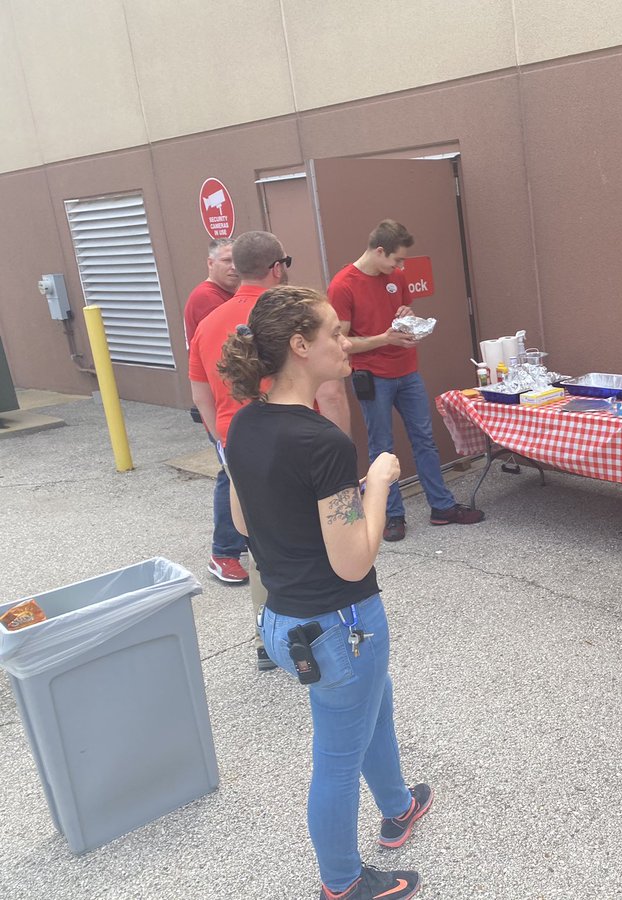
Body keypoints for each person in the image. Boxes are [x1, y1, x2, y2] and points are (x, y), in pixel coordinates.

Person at [219, 286, 431, 900]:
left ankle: (397, 807)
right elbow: (353, 558)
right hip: (340, 625)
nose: (346, 342)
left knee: (372, 704)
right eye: (335, 333)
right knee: (336, 759)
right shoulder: (323, 442)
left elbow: (242, 517)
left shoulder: (246, 425)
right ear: (299, 345)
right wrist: (380, 481)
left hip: (284, 620)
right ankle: (342, 881)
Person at [315, 220, 483, 542]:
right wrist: (384, 339)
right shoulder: (343, 285)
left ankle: (442, 507)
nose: (401, 266)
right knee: (382, 448)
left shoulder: (396, 277)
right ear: (379, 251)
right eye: (397, 259)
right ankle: (391, 515)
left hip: (408, 371)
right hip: (373, 376)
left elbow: (399, 316)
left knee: (425, 439)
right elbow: (343, 341)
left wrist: (407, 316)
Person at [189, 231, 290, 671]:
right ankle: (309, 633)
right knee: (306, 539)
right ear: (276, 267)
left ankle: (266, 640)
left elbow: (200, 395)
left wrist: (223, 441)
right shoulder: (291, 314)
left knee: (260, 545)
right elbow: (328, 390)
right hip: (292, 438)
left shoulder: (209, 323)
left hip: (237, 442)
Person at [183, 239, 248, 584]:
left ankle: (241, 538)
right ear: (209, 263)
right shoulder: (207, 299)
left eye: (237, 260)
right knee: (230, 474)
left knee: (239, 473)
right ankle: (223, 552)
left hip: (228, 402)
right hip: (221, 403)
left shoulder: (226, 297)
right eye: (226, 260)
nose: (233, 267)